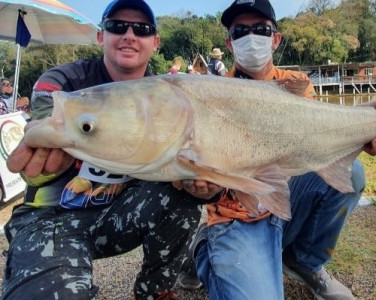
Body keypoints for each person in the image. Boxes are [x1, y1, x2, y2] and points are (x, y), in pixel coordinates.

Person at [178, 1, 376, 299]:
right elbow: (192, 175)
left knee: (354, 174)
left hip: (284, 197)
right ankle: (205, 247)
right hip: (237, 214)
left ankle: (304, 261)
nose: (251, 37)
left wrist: (372, 125)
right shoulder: (211, 93)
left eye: (260, 29)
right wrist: (204, 189)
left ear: (276, 38)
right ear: (229, 43)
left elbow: (320, 137)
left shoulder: (295, 84)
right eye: (241, 31)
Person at [2, 1, 221, 299]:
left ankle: (155, 292)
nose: (129, 34)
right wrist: (45, 131)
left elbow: (197, 154)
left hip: (119, 216)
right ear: (100, 36)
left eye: (141, 29)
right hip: (51, 216)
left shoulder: (167, 96)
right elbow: (47, 115)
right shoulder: (65, 82)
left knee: (183, 198)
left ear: (155, 43)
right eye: (118, 26)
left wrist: (211, 188)